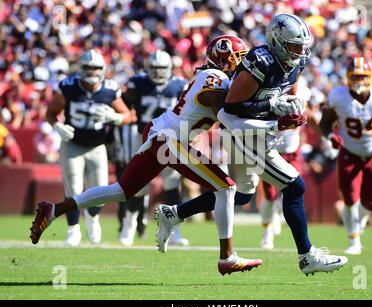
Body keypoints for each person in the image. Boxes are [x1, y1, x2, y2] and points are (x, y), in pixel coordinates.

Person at [30, 35, 263, 276]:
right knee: (225, 188)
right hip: (168, 138)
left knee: (121, 191)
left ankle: (55, 209)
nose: (242, 65)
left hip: (159, 134)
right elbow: (225, 116)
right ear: (224, 60)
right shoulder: (217, 79)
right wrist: (270, 118)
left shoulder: (214, 77)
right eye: (238, 59)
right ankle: (227, 258)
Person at [156, 14, 348, 276]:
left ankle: (175, 213)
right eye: (293, 46)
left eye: (302, 46)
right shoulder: (260, 61)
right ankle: (307, 256)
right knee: (295, 186)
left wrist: (292, 103)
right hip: (242, 133)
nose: (299, 52)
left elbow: (291, 84)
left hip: (256, 133)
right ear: (277, 42)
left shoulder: (297, 60)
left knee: (243, 195)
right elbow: (232, 106)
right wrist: (272, 107)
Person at [43, 49, 132, 246]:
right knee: (73, 189)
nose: (92, 72)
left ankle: (92, 219)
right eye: (88, 68)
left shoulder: (109, 89)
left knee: (99, 194)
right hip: (72, 145)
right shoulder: (69, 87)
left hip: (97, 146)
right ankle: (73, 229)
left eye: (96, 68)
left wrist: (115, 118)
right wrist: (57, 126)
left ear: (103, 70)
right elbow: (50, 112)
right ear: (80, 68)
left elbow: (128, 116)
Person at [319, 56, 372, 255]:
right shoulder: (339, 96)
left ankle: (360, 220)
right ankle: (354, 240)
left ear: (370, 76)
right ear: (347, 77)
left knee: (371, 203)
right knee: (350, 199)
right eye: (354, 76)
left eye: (362, 76)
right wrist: (331, 136)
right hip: (350, 152)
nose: (358, 80)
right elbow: (324, 122)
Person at [115, 50, 189, 246]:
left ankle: (174, 231)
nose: (157, 73)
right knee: (139, 185)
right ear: (147, 68)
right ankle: (129, 225)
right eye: (153, 69)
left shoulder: (180, 85)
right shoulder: (138, 83)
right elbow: (122, 102)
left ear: (169, 69)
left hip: (171, 139)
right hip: (144, 138)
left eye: (160, 69)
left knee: (172, 185)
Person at [259, 78, 312, 250]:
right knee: (269, 195)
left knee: (294, 189)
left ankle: (278, 212)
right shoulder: (270, 89)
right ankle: (266, 233)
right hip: (270, 149)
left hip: (292, 151)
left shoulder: (304, 91)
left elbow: (308, 114)